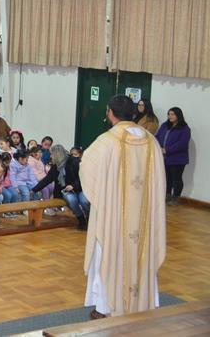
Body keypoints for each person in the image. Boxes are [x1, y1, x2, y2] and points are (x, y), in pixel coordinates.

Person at [81, 95, 166, 319]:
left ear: (110, 113)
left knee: (109, 254)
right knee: (142, 254)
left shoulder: (108, 140)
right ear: (133, 113)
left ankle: (105, 307)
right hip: (144, 216)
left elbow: (86, 165)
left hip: (114, 216)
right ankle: (144, 301)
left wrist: (104, 198)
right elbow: (160, 181)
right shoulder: (151, 141)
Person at [31, 144, 89, 229]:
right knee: (72, 200)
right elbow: (47, 180)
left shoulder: (74, 162)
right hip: (64, 191)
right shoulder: (55, 167)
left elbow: (82, 177)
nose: (51, 156)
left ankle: (90, 219)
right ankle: (81, 220)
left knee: (84, 201)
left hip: (80, 188)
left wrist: (73, 186)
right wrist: (34, 190)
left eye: (52, 154)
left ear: (57, 154)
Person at [155, 107, 191, 204]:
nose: (170, 116)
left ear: (178, 115)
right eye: (169, 114)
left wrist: (167, 150)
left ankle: (176, 197)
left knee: (176, 179)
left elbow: (182, 144)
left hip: (177, 159)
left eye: (172, 114)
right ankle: (167, 195)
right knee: (167, 178)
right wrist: (158, 147)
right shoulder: (164, 125)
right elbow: (157, 137)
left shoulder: (185, 129)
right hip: (165, 158)